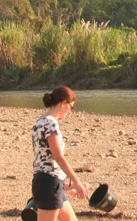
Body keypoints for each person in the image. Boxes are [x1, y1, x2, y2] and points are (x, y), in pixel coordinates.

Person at [31, 86, 88, 221]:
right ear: (63, 103)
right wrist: (77, 182)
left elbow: (46, 161)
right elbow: (57, 157)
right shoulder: (51, 124)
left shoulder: (38, 121)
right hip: (49, 184)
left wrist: (70, 187)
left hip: (48, 182)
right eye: (71, 107)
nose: (70, 111)